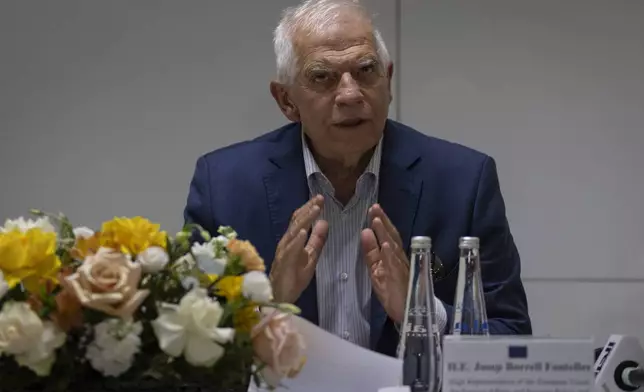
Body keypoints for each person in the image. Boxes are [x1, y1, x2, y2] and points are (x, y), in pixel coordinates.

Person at [184, 0, 531, 357]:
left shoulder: (463, 182)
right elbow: (189, 348)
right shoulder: (224, 186)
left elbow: (512, 340)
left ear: (389, 81)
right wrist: (267, 306)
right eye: (322, 77)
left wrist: (421, 313)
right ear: (286, 100)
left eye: (366, 70)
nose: (350, 94)